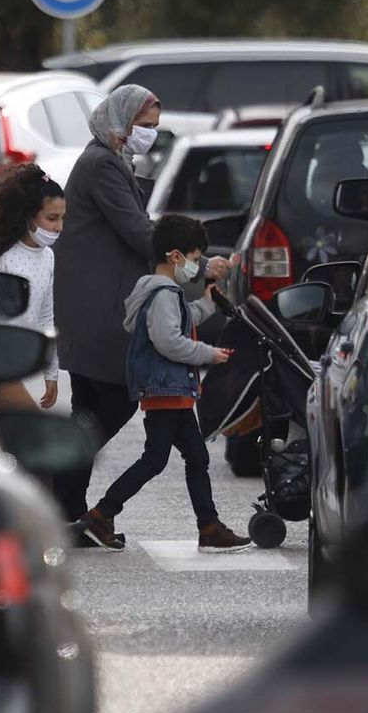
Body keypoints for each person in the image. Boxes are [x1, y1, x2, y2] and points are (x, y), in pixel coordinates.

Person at [52, 84, 233, 528]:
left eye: (153, 127)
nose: (148, 135)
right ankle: (56, 493)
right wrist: (198, 264)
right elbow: (139, 231)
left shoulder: (110, 161)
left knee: (92, 412)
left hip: (92, 306)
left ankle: (69, 510)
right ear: (119, 122)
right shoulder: (102, 165)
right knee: (110, 405)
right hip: (101, 311)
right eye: (142, 126)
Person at [72, 215, 253, 554]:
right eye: (195, 258)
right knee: (156, 459)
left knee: (196, 457)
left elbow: (183, 319)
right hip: (165, 390)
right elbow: (168, 340)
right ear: (175, 257)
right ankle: (102, 514)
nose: (196, 266)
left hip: (173, 391)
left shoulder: (164, 293)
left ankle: (208, 526)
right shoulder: (163, 294)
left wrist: (208, 304)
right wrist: (208, 354)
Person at [0, 164, 65, 410]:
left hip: (22, 364)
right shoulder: (2, 260)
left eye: (61, 218)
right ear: (29, 217)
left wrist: (52, 373)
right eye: (51, 218)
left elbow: (47, 314)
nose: (59, 227)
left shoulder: (48, 256)